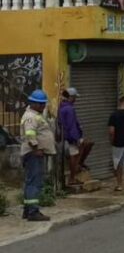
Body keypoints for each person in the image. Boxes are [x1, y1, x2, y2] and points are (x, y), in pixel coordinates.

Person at [20, 89, 55, 221]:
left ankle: (28, 210)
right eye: (41, 104)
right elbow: (30, 134)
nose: (43, 106)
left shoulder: (35, 115)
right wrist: (36, 148)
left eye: (43, 103)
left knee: (32, 181)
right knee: (34, 182)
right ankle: (33, 212)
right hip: (33, 153)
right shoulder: (31, 117)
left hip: (35, 153)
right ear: (33, 103)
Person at [57, 87, 94, 186]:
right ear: (70, 97)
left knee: (86, 145)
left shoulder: (62, 107)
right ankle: (72, 177)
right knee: (76, 153)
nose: (75, 100)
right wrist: (76, 139)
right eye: (74, 97)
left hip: (65, 137)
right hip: (70, 137)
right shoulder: (69, 109)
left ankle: (79, 166)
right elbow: (71, 125)